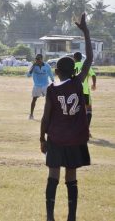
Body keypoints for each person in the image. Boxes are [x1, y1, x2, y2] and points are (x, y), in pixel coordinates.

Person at [40, 13, 93, 221]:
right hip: (75, 140)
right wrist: (85, 32)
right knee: (72, 177)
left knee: (53, 176)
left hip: (56, 139)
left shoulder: (52, 89)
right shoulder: (78, 82)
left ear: (56, 71)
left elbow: (45, 118)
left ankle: (50, 217)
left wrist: (41, 139)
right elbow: (89, 58)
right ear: (73, 71)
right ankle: (71, 217)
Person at [74, 52, 96, 136]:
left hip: (74, 92)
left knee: (75, 111)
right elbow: (93, 75)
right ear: (81, 58)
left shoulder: (72, 66)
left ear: (74, 58)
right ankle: (86, 130)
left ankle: (75, 130)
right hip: (85, 91)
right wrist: (94, 85)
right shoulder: (85, 66)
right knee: (88, 110)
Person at [27, 54, 54, 120]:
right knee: (34, 99)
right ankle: (31, 115)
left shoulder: (47, 66)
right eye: (36, 59)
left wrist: (53, 81)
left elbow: (50, 74)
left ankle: (48, 115)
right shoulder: (33, 66)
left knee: (49, 100)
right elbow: (28, 75)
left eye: (39, 59)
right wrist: (33, 66)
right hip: (37, 86)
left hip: (45, 85)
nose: (37, 60)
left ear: (42, 59)